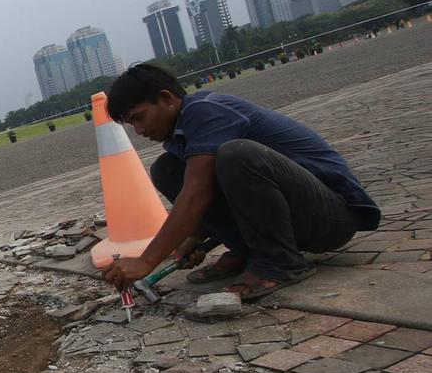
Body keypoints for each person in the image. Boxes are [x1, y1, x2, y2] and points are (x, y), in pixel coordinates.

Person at [100, 63, 380, 300]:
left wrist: (146, 260)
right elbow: (203, 188)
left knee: (237, 155)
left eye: (139, 118)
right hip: (297, 217)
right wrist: (195, 237)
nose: (139, 130)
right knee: (167, 169)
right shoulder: (180, 133)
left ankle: (279, 262)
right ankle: (248, 253)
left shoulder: (204, 111)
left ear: (167, 98)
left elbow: (197, 192)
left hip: (332, 217)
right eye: (131, 124)